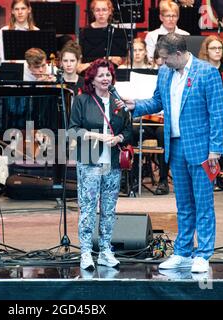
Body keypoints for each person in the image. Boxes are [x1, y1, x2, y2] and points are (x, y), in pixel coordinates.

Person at [126, 33, 223, 273]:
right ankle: (183, 252)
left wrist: (215, 148)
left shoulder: (207, 73)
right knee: (183, 204)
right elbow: (157, 102)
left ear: (178, 54)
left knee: (203, 203)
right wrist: (135, 106)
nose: (161, 62)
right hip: (176, 145)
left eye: (164, 58)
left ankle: (203, 253)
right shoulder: (165, 73)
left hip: (203, 149)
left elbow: (217, 113)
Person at [69, 58, 133, 270]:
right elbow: (72, 130)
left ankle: (105, 249)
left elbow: (128, 129)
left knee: (108, 209)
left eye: (108, 75)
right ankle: (86, 251)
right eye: (101, 76)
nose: (106, 79)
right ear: (92, 80)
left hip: (113, 162)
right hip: (90, 161)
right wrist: (97, 137)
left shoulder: (117, 101)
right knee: (87, 208)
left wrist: (120, 139)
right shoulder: (82, 101)